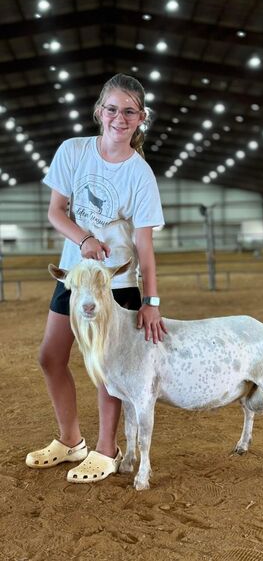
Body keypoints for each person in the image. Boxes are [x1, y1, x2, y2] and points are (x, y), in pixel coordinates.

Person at [26, 73, 167, 483]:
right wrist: (84, 238)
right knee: (51, 357)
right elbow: (56, 212)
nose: (119, 118)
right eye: (112, 109)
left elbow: (144, 247)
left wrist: (151, 302)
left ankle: (107, 450)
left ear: (141, 118)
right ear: (99, 111)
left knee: (109, 370)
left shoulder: (140, 175)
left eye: (129, 111)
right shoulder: (73, 151)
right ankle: (71, 441)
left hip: (116, 286)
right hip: (75, 279)